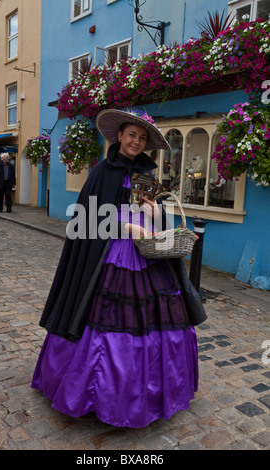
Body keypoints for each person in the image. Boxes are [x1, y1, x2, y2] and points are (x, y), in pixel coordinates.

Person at [32, 109, 207, 428]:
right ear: (119, 136)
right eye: (132, 135)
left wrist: (155, 216)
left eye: (142, 138)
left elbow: (153, 218)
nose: (136, 142)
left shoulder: (146, 174)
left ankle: (149, 393)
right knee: (103, 318)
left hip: (147, 254)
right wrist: (131, 228)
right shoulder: (101, 172)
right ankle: (100, 394)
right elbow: (90, 221)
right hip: (112, 254)